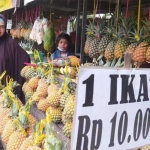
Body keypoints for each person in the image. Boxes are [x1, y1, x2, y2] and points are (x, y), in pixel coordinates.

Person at [0, 14, 30, 104]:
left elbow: (24, 57)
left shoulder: (11, 44)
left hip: (4, 86)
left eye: (2, 27)